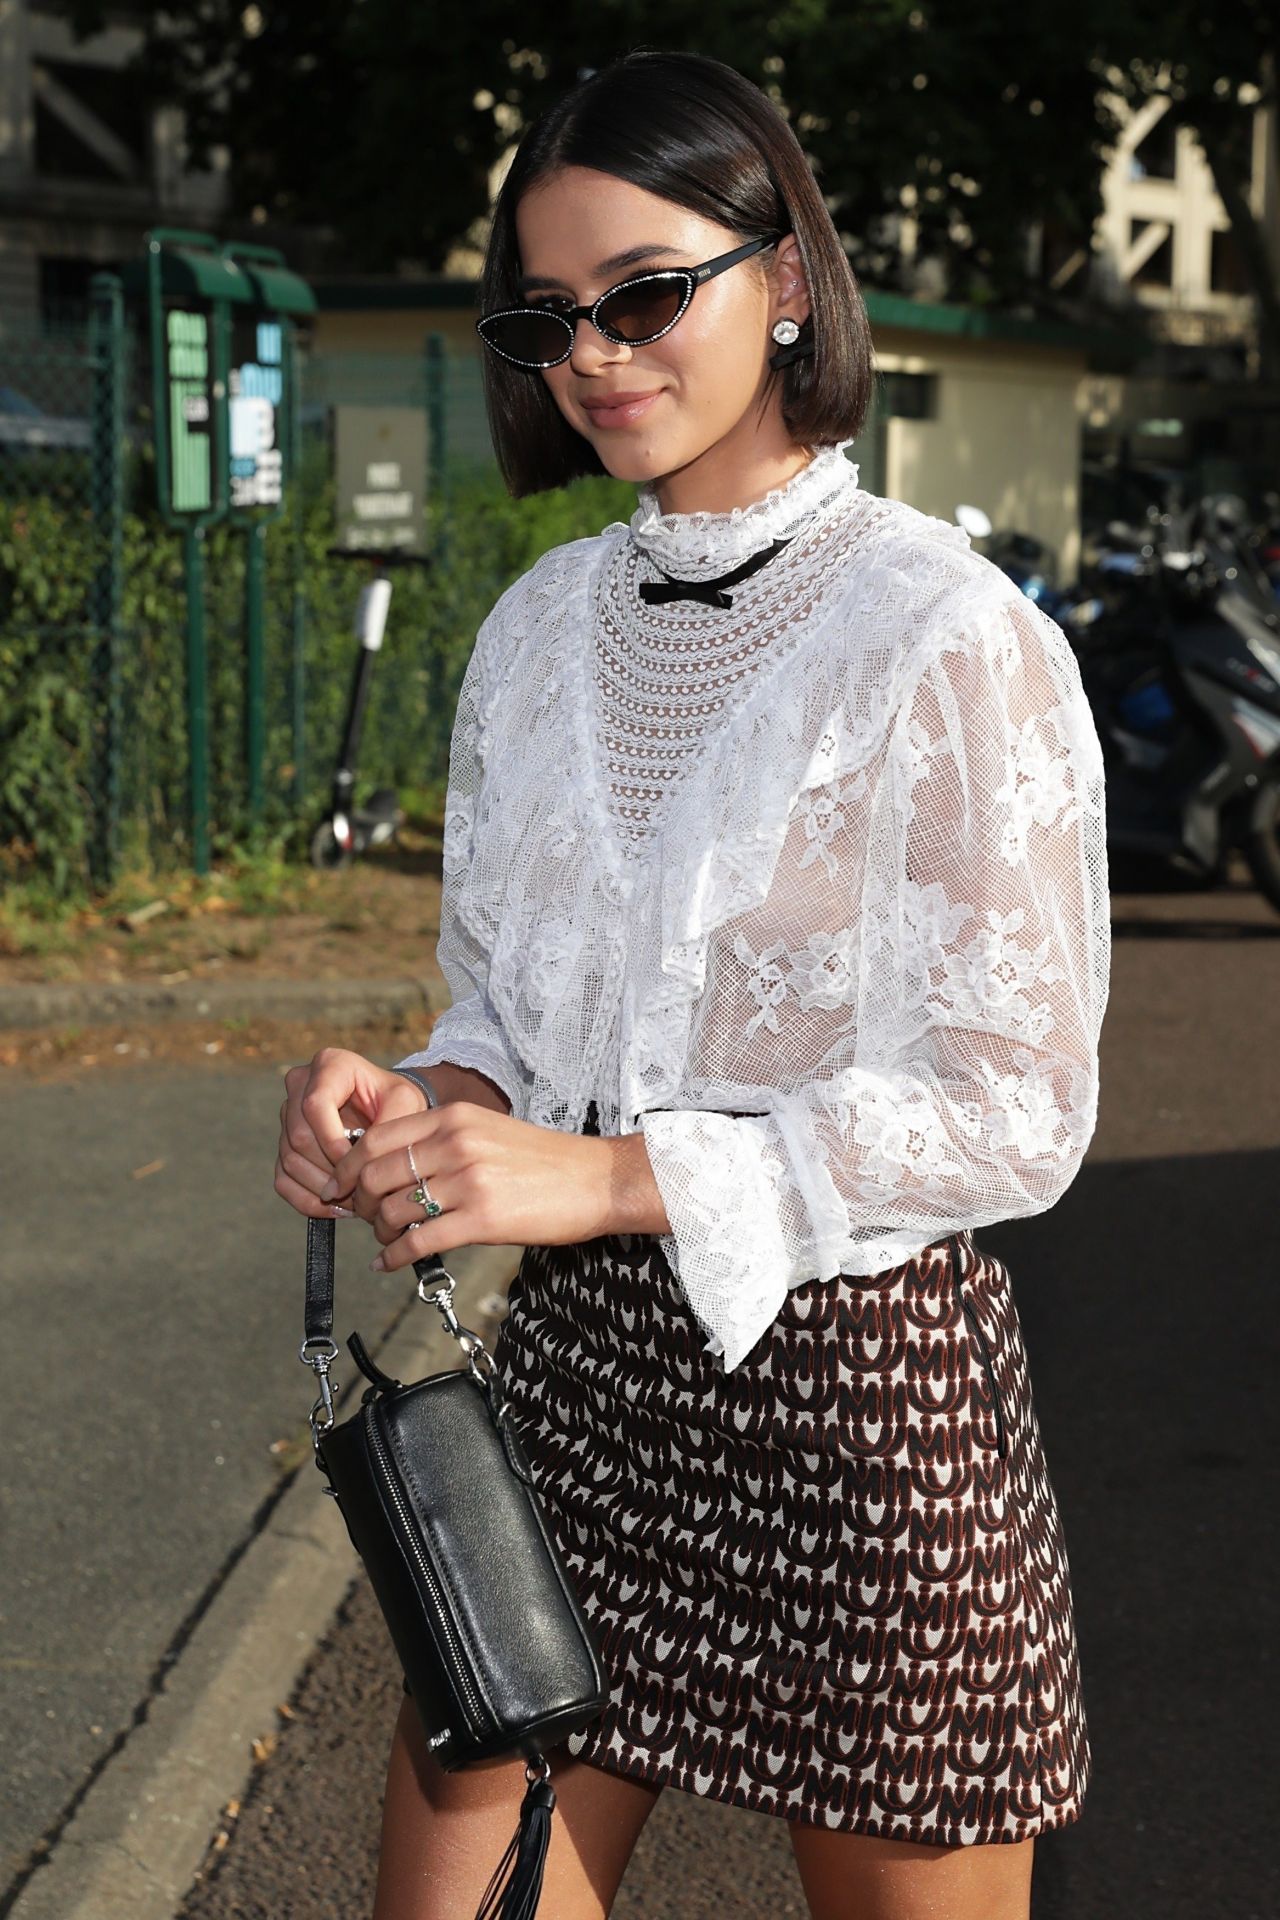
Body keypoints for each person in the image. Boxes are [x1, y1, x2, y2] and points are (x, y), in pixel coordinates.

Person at [274, 48, 1110, 1920]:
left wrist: (611, 1176)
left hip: (866, 1422)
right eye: (550, 315)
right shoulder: (534, 633)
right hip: (573, 1402)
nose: (599, 351)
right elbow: (502, 1008)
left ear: (789, 278)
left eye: (649, 293)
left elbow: (1020, 1104)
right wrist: (430, 1110)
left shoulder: (949, 638)